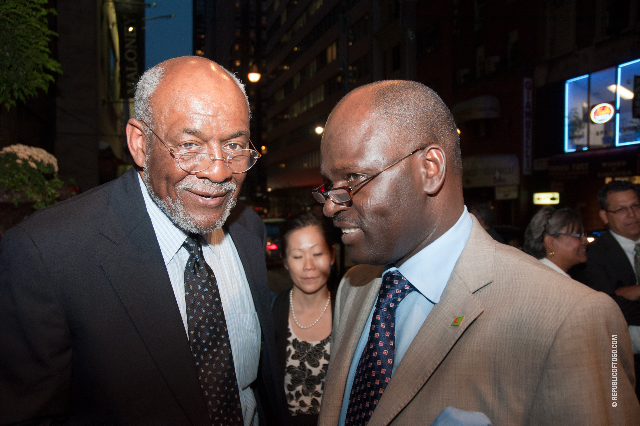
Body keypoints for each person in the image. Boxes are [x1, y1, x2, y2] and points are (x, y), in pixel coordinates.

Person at [311, 80, 639, 425]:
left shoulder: (574, 318)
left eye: (352, 179)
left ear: (430, 169)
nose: (331, 207)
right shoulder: (353, 287)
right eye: (328, 186)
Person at [0, 57, 286, 425]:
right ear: (139, 143)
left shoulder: (249, 229)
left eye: (234, 145)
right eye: (190, 144)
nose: (218, 171)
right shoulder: (46, 255)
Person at [571, 180, 640, 390]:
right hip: (623, 365)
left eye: (635, 206)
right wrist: (618, 301)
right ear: (604, 216)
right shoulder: (593, 257)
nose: (631, 214)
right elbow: (611, 310)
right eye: (621, 209)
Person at [272, 212, 337, 426]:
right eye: (298, 256)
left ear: (332, 256)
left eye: (317, 253)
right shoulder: (270, 314)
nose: (308, 266)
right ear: (285, 261)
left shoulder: (350, 313)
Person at [523, 206, 588, 276]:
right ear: (550, 242)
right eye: (578, 235)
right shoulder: (549, 280)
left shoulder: (540, 273)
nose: (585, 240)